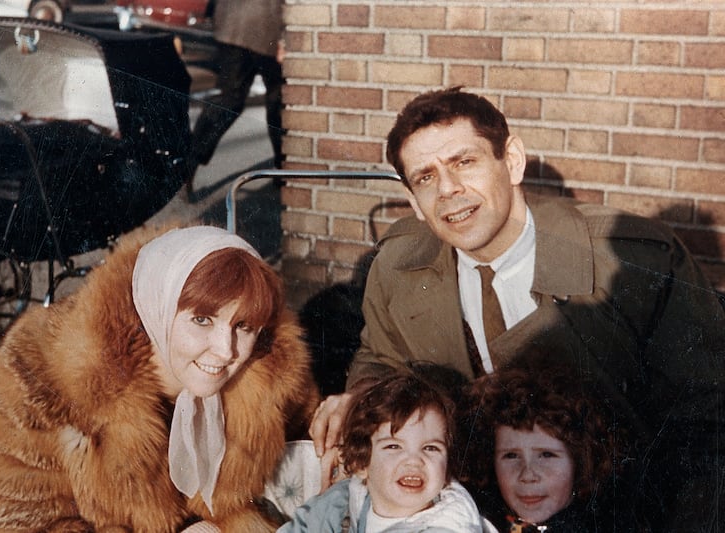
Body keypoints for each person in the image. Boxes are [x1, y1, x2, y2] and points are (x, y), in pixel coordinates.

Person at [309, 86, 725, 530]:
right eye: (425, 177)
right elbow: (383, 358)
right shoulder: (398, 264)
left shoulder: (634, 263)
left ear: (512, 161)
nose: (448, 190)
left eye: (464, 162)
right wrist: (361, 395)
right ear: (412, 201)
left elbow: (706, 420)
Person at [0, 225, 319, 532]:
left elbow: (310, 454)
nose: (225, 350)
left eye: (244, 326)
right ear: (156, 305)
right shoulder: (40, 375)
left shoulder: (269, 379)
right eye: (201, 320)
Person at [279, 367, 487, 532]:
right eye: (394, 446)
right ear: (362, 464)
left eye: (431, 448)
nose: (414, 460)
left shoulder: (450, 525)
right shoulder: (344, 501)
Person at [459, 355, 638, 532]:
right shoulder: (476, 519)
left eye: (546, 454)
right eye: (511, 455)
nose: (528, 475)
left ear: (580, 462)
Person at [185, 0, 285, 200]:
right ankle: (284, 169)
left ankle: (187, 164)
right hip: (267, 26)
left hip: (231, 24)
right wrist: (286, 38)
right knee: (279, 100)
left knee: (229, 98)